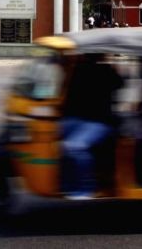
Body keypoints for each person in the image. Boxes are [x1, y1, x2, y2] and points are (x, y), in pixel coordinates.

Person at [60, 53, 124, 199]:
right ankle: (64, 183)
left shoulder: (104, 70)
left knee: (74, 147)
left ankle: (85, 188)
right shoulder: (75, 69)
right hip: (76, 118)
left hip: (99, 121)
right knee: (46, 141)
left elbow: (119, 83)